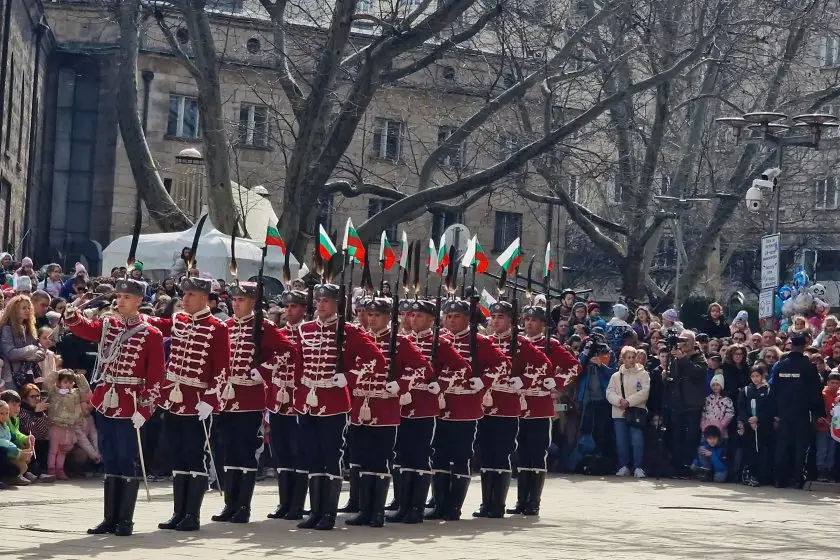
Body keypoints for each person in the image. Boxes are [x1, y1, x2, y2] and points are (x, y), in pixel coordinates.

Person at [63, 278, 166, 536]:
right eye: (118, 297)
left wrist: (145, 410)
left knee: (124, 458)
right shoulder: (110, 324)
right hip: (106, 398)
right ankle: (109, 518)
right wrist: (73, 315)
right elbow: (87, 329)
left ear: (140, 301)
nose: (120, 301)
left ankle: (125, 520)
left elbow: (156, 376)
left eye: (126, 297)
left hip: (130, 403)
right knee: (109, 458)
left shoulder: (150, 333)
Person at [294, 283, 387, 531]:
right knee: (311, 456)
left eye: (326, 300)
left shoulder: (349, 331)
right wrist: (298, 396)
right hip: (308, 402)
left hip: (333, 402)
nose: (320, 304)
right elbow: (298, 364)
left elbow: (376, 359)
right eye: (318, 300)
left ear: (337, 303)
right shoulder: (305, 329)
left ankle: (328, 514)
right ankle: (315, 512)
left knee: (330, 456)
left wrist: (350, 376)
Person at [145, 277, 229, 532]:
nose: (186, 299)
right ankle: (178, 512)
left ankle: (192, 515)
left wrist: (211, 399)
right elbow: (157, 324)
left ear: (204, 298)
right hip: (173, 399)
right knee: (177, 456)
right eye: (185, 294)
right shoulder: (179, 320)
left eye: (191, 294)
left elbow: (223, 368)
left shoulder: (217, 327)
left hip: (197, 400)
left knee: (195, 456)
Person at [213, 282, 300, 525]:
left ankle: (243, 506)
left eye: (241, 299)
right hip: (227, 397)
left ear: (252, 303)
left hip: (250, 397)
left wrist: (263, 370)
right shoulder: (227, 326)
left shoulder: (263, 326)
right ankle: (230, 504)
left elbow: (288, 351)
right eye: (234, 299)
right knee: (229, 450)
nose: (236, 303)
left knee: (245, 450)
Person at [346, 298, 430, 528]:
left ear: (387, 318)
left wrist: (402, 384)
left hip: (384, 407)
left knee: (379, 459)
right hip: (360, 405)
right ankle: (364, 509)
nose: (372, 319)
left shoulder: (399, 342)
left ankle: (377, 512)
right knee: (361, 459)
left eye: (377, 315)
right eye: (369, 315)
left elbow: (423, 367)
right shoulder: (357, 340)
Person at [426, 299, 507, 522]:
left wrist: (483, 381)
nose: (451, 321)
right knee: (439, 456)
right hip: (441, 405)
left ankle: (454, 506)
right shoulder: (440, 340)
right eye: (448, 316)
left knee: (461, 456)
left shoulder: (479, 341)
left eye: (456, 316)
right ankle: (439, 504)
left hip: (465, 405)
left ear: (467, 319)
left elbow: (501, 364)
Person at [397, 299, 470, 524]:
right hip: (403, 404)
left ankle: (417, 508)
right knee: (403, 456)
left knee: (420, 456)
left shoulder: (438, 343)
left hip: (425, 405)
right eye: (412, 315)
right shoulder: (404, 341)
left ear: (431, 320)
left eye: (419, 316)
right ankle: (403, 505)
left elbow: (462, 368)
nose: (414, 319)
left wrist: (441, 383)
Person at [479, 301, 551, 518]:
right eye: (493, 316)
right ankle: (487, 503)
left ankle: (505, 504)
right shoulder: (487, 342)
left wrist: (524, 381)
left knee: (508, 453)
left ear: (510, 320)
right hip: (487, 405)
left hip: (510, 404)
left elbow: (544, 364)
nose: (496, 320)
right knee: (486, 454)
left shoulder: (519, 343)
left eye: (501, 316)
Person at [514, 305, 579, 515]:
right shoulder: (518, 343)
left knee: (537, 452)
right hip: (519, 404)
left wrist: (556, 381)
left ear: (543, 324)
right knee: (522, 453)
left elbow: (574, 366)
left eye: (534, 320)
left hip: (541, 404)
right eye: (526, 319)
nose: (529, 323)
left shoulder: (550, 345)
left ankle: (534, 501)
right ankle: (521, 501)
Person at [266, 290, 307, 521]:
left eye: (294, 306)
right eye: (287, 306)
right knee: (281, 452)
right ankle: (284, 501)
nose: (288, 310)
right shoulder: (278, 334)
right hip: (278, 401)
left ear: (304, 310)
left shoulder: (308, 334)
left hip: (298, 401)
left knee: (298, 452)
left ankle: (297, 504)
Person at [768, 331, 824, 488]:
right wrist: (818, 412)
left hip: (783, 413)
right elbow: (815, 391)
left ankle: (779, 479)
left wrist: (774, 412)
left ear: (791, 346)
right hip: (802, 413)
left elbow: (773, 390)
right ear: (804, 347)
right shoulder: (808, 367)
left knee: (782, 445)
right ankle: (798, 478)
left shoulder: (780, 365)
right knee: (801, 446)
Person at [663, 331, 708, 476]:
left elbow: (697, 373)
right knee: (677, 436)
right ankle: (677, 466)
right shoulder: (676, 358)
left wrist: (683, 359)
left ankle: (689, 465)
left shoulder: (700, 358)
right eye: (682, 340)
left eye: (687, 340)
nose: (684, 342)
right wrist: (666, 376)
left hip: (693, 404)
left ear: (694, 342)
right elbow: (673, 378)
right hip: (678, 403)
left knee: (691, 437)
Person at [606, 346, 650, 478]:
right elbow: (609, 392)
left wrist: (629, 401)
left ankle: (638, 467)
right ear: (623, 359)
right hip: (619, 412)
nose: (631, 360)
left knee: (637, 439)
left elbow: (644, 392)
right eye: (628, 357)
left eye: (633, 357)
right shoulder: (615, 376)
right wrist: (619, 401)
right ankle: (624, 466)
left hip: (636, 411)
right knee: (621, 440)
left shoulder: (643, 374)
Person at [43, 369, 90, 479]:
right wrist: (57, 373)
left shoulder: (75, 393)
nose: (68, 384)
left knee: (63, 450)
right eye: (65, 382)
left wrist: (77, 377)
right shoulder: (55, 392)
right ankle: (51, 470)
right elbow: (47, 384)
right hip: (56, 425)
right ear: (59, 383)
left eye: (70, 382)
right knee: (53, 450)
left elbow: (85, 389)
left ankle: (60, 470)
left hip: (69, 426)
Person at [0, 295, 44, 391]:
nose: (27, 310)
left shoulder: (28, 328)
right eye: (24, 308)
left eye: (29, 308)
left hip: (27, 375)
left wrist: (30, 356)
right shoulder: (7, 328)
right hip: (11, 377)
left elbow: (41, 352)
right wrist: (31, 349)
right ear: (14, 309)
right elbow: (10, 353)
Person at [17, 383, 54, 481]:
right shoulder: (21, 411)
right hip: (22, 442)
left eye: (38, 396)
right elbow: (30, 430)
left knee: (45, 442)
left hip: (38, 442)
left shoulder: (39, 410)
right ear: (24, 399)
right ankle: (31, 472)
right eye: (32, 396)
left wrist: (39, 414)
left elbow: (43, 433)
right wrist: (37, 413)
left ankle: (40, 471)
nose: (37, 399)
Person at [0, 389, 34, 486]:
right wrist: (19, 452)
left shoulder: (11, 421)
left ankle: (17, 476)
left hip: (10, 449)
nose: (17, 408)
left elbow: (15, 434)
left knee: (26, 452)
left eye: (18, 405)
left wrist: (26, 438)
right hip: (6, 450)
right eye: (13, 405)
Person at [815, 372, 840, 482]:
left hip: (835, 428)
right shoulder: (822, 395)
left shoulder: (838, 397)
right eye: (832, 382)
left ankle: (829, 471)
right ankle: (821, 471)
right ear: (827, 382)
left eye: (837, 383)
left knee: (831, 451)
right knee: (822, 449)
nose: (834, 385)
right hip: (823, 428)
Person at [700, 374, 734, 447]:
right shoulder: (707, 399)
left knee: (719, 453)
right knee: (704, 452)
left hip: (720, 432)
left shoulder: (726, 400)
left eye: (717, 385)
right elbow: (703, 413)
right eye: (713, 385)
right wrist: (703, 424)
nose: (715, 387)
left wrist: (721, 425)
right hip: (707, 430)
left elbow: (730, 414)